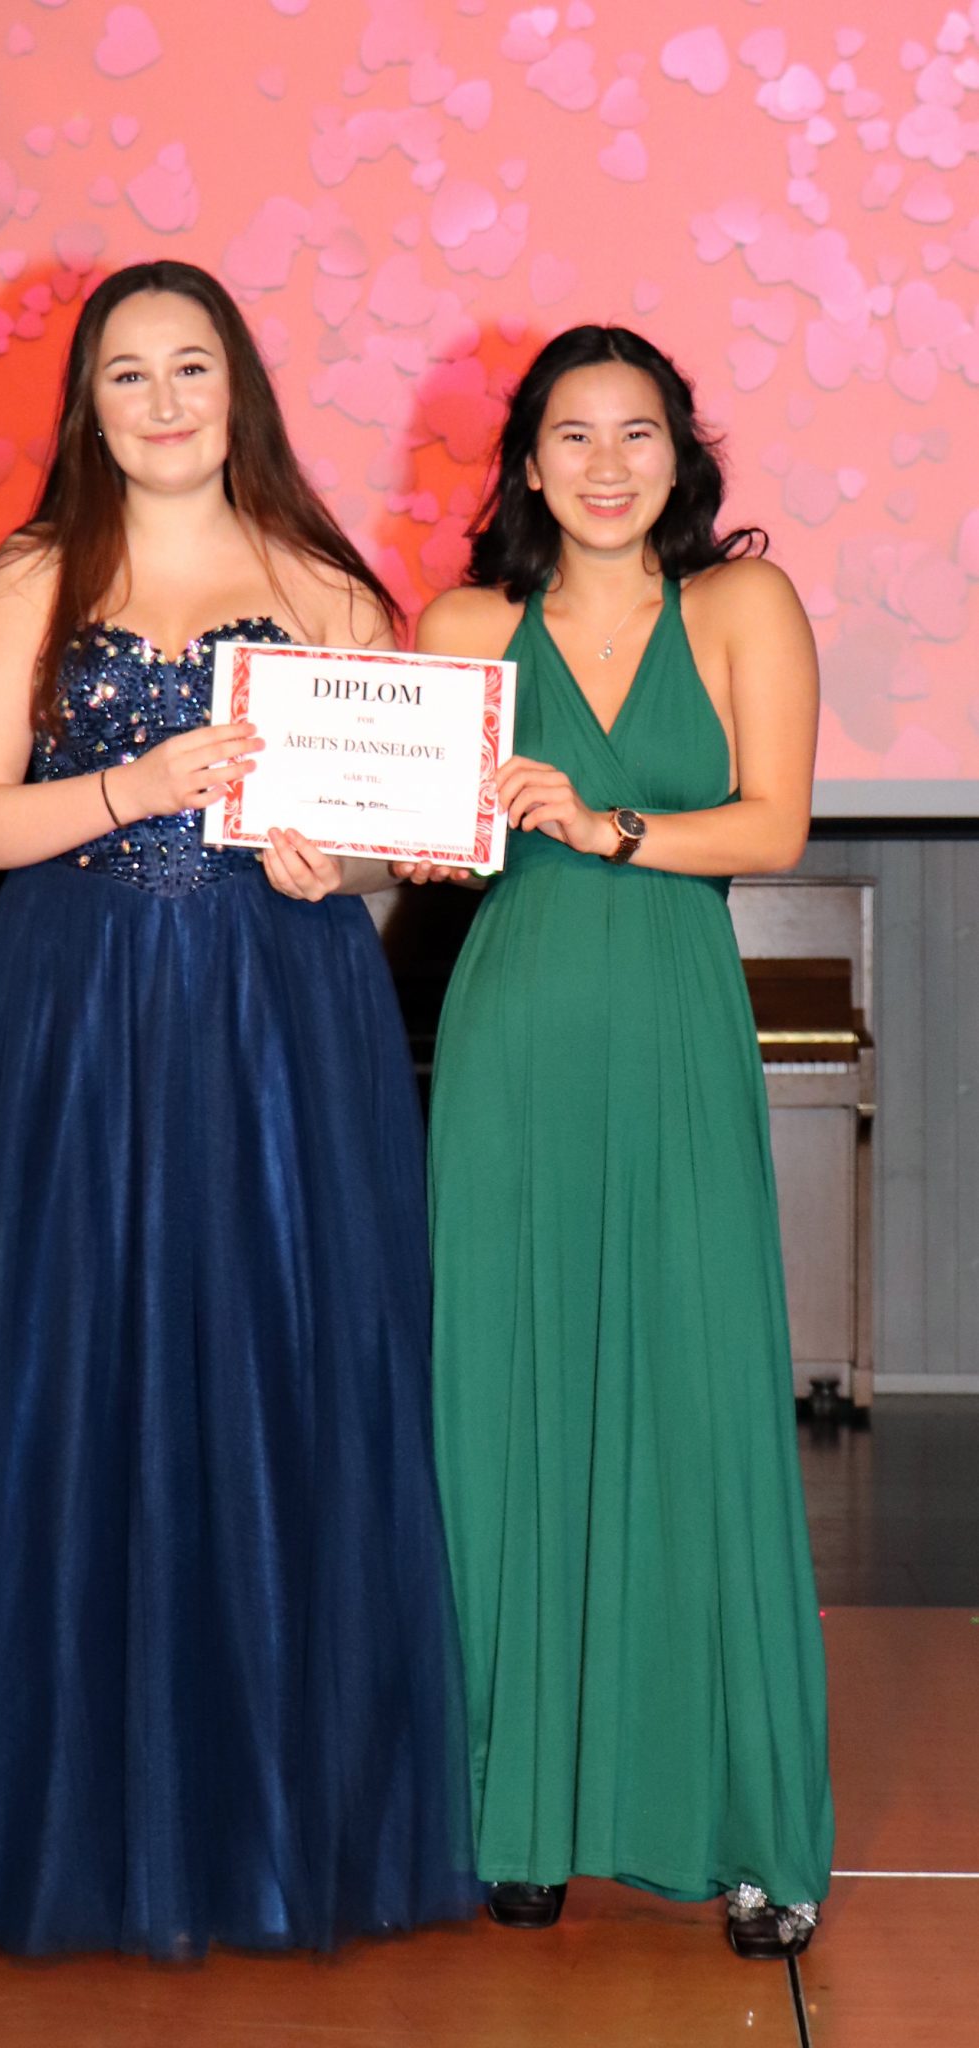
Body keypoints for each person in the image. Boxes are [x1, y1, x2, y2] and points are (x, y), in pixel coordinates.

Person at [0, 261, 476, 1958]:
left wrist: (350, 859)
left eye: (189, 366)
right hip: (73, 1026)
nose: (161, 400)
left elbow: (399, 835)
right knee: (49, 1385)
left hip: (281, 1030)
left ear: (238, 388)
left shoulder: (320, 578)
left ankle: (264, 1831)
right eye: (126, 373)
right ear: (85, 406)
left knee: (270, 1379)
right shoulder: (32, 574)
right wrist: (132, 785)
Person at [400, 325, 833, 1958]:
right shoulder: (460, 626)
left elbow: (772, 824)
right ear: (524, 461)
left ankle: (749, 1829)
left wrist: (605, 824)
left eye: (634, 431)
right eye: (569, 435)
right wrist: (381, 843)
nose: (602, 463)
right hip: (511, 1035)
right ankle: (512, 1815)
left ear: (679, 452)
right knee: (502, 1400)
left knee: (693, 1399)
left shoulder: (739, 604)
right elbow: (428, 843)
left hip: (669, 1027)